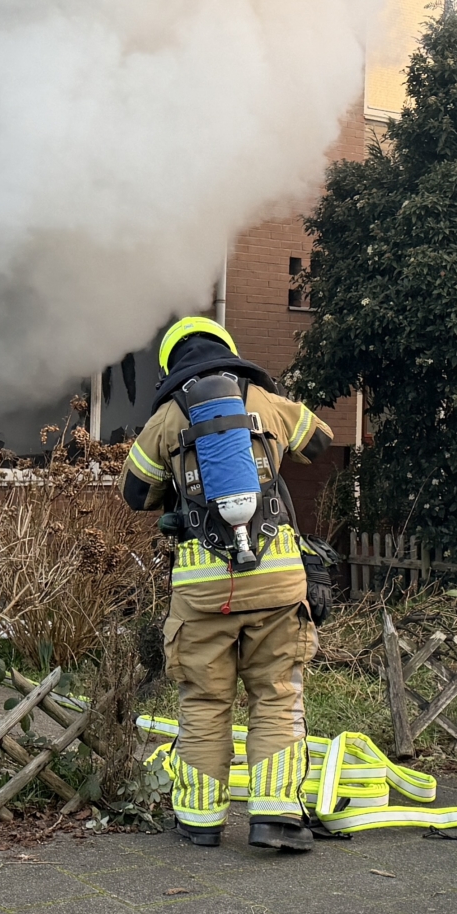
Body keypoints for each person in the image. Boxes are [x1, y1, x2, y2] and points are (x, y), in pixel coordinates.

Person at [121, 317, 333, 851]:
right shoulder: (262, 400)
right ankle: (277, 816)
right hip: (278, 583)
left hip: (203, 590)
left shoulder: (169, 417)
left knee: (204, 701)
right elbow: (322, 442)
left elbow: (133, 492)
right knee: (277, 696)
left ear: (172, 366)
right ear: (228, 352)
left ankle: (199, 820)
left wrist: (179, 490)